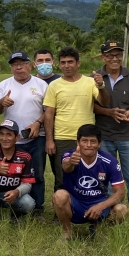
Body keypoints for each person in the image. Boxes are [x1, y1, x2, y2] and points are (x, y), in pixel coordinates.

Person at [93, 41, 129, 217]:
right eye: (110, 55)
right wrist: (109, 112)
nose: (114, 59)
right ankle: (111, 212)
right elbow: (91, 106)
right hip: (105, 135)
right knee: (107, 178)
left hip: (128, 135)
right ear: (103, 58)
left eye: (118, 55)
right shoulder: (95, 78)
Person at [43, 47, 110, 193]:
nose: (67, 66)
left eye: (70, 62)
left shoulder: (90, 82)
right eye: (63, 62)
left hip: (87, 138)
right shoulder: (54, 86)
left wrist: (101, 87)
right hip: (62, 138)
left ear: (78, 63)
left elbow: (104, 102)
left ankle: (86, 209)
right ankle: (61, 212)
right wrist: (49, 140)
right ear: (59, 65)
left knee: (87, 175)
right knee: (61, 177)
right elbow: (49, 114)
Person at [0, 51, 49, 214]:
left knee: (37, 173)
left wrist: (38, 123)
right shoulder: (4, 85)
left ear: (30, 65)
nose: (19, 68)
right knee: (12, 174)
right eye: (15, 64)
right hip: (12, 140)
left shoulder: (41, 85)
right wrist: (2, 102)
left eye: (22, 64)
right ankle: (14, 206)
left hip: (36, 137)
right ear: (11, 67)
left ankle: (37, 208)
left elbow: (49, 110)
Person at [53, 124, 129, 240]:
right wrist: (71, 162)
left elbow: (120, 193)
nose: (88, 145)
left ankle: (98, 228)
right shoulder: (70, 155)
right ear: (77, 143)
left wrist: (100, 206)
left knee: (122, 210)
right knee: (59, 195)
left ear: (99, 144)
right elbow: (66, 167)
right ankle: (67, 232)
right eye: (84, 141)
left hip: (99, 202)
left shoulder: (110, 161)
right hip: (76, 203)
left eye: (93, 141)